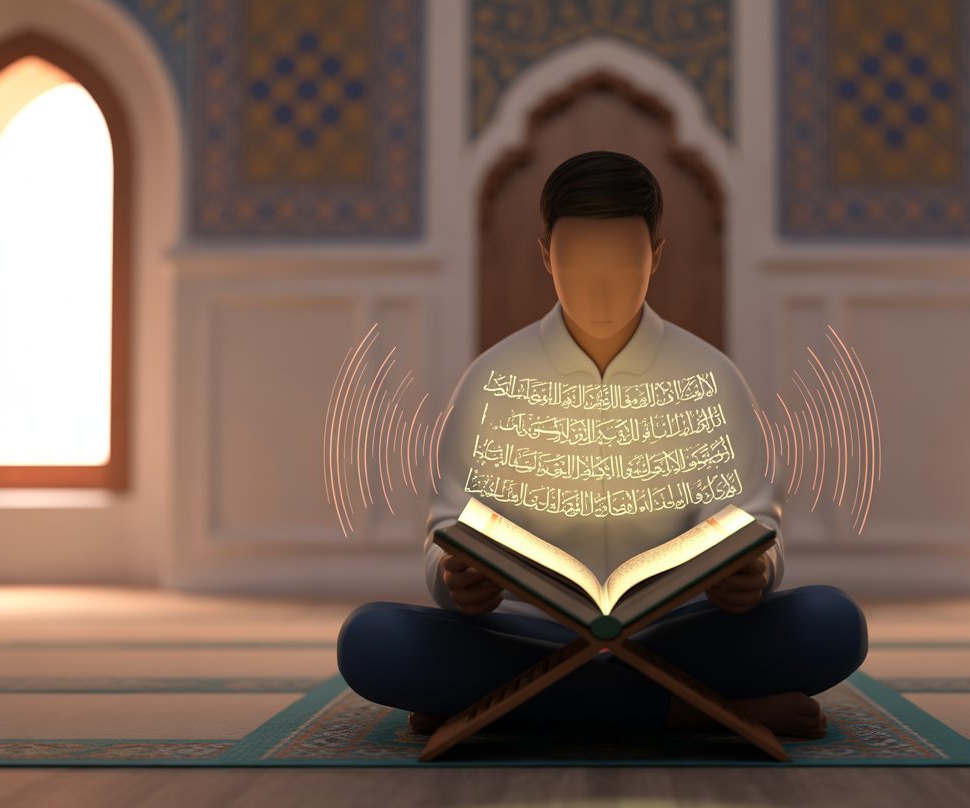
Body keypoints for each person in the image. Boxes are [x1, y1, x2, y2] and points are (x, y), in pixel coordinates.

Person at [337, 150, 867, 739]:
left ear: (656, 257)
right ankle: (697, 711)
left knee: (831, 622)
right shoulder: (493, 380)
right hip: (528, 632)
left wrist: (753, 575)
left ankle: (509, 707)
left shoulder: (710, 378)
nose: (600, 285)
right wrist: (458, 582)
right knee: (372, 641)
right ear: (546, 256)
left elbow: (751, 524)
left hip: (680, 633)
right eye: (579, 260)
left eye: (622, 260)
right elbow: (449, 530)